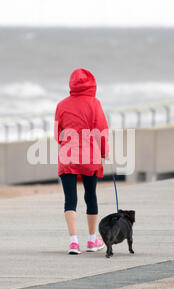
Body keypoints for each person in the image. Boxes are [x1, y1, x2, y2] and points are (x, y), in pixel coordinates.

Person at [54, 68, 109, 255]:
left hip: (67, 156)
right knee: (90, 195)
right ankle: (93, 240)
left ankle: (73, 242)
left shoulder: (61, 105)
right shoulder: (94, 103)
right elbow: (101, 130)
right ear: (92, 84)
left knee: (70, 199)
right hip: (89, 156)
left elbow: (57, 134)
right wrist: (103, 151)